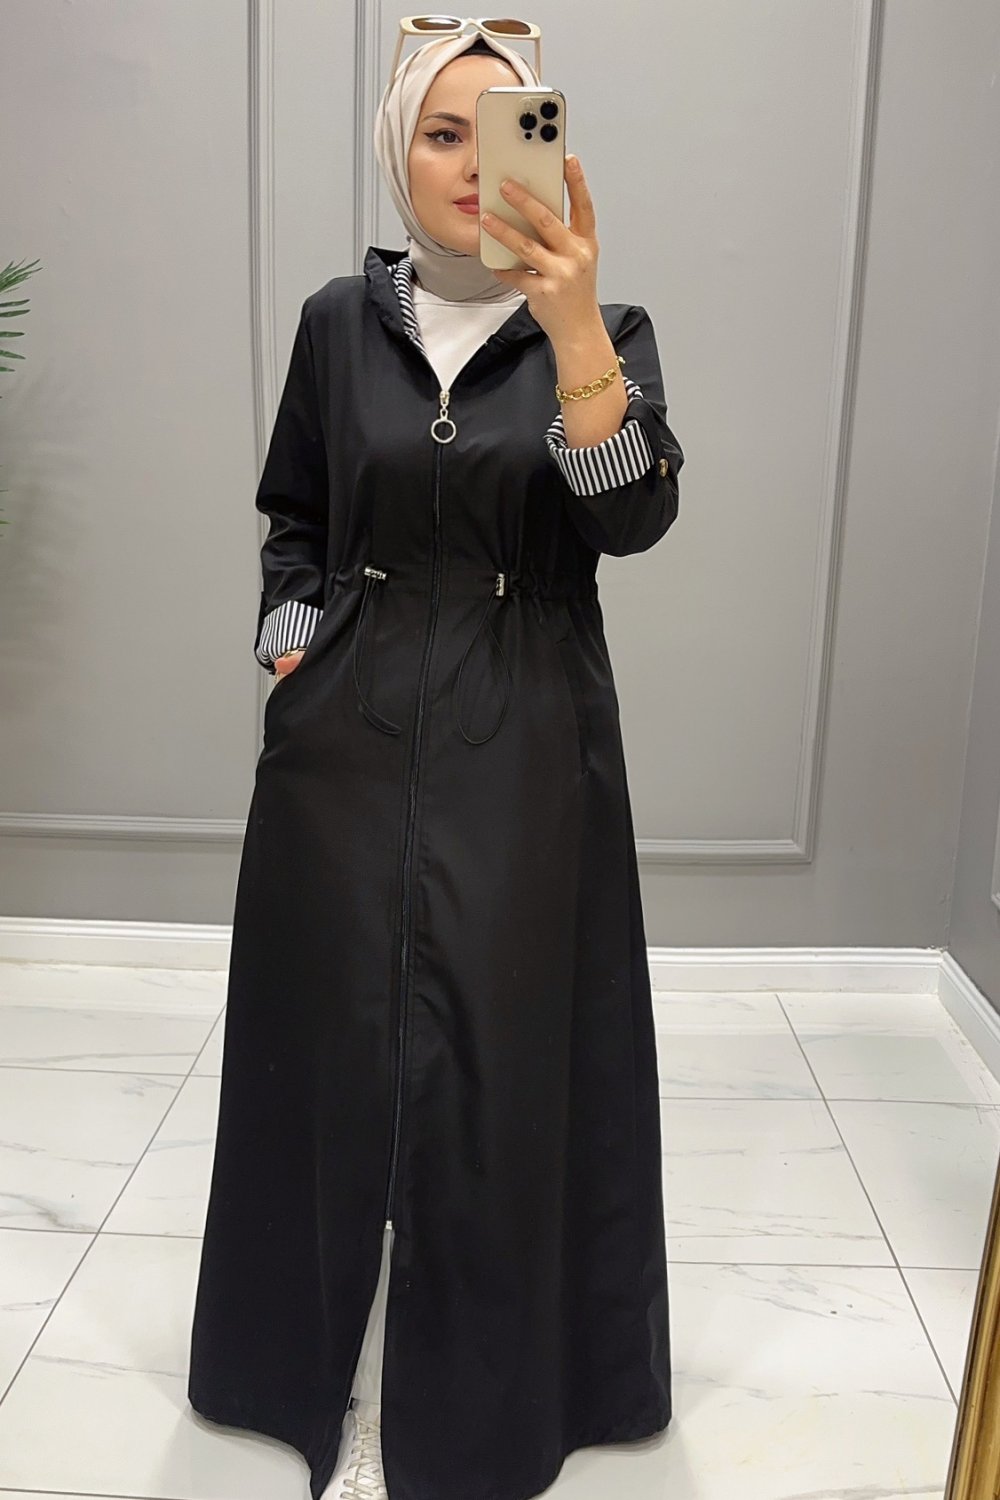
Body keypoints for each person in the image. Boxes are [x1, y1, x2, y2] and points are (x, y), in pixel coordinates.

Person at [187, 21, 685, 1500]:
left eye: (501, 129)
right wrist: (292, 634)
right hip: (344, 737)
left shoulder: (607, 323)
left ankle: (492, 1407)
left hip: (527, 737)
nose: (471, 164)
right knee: (323, 1047)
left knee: (503, 1068)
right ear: (399, 152)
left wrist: (576, 329)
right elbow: (295, 509)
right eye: (440, 133)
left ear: (551, 144)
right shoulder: (339, 323)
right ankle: (288, 1366)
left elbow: (630, 521)